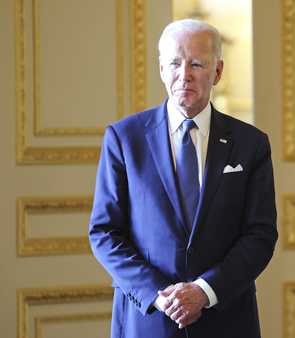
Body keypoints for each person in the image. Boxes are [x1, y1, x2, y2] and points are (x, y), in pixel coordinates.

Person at [89, 19, 277, 338]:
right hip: (147, 321)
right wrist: (161, 296)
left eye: (196, 63)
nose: (184, 74)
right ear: (162, 69)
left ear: (217, 71)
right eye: (175, 63)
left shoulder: (251, 144)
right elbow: (105, 232)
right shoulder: (124, 139)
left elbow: (260, 234)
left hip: (227, 321)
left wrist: (204, 291)